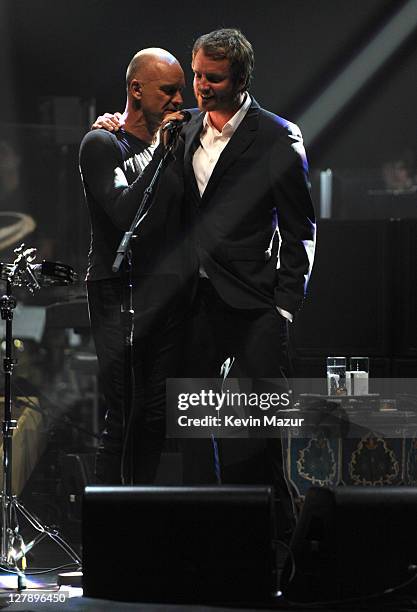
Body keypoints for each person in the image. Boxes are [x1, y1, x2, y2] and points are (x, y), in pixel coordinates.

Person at [92, 29, 316, 534]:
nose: (200, 86)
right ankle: (210, 539)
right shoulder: (183, 127)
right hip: (193, 303)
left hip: (256, 304)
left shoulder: (278, 136)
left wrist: (284, 305)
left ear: (240, 79)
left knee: (258, 438)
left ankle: (281, 549)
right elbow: (134, 156)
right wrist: (112, 125)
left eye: (212, 78)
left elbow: (303, 230)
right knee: (193, 434)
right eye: (196, 75)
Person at [79, 48, 195, 484]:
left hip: (167, 290)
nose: (177, 99)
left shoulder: (178, 143)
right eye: (168, 90)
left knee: (155, 415)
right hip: (116, 289)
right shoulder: (102, 143)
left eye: (180, 90)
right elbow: (126, 212)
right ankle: (109, 528)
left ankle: (142, 518)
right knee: (123, 412)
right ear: (136, 89)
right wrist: (160, 153)